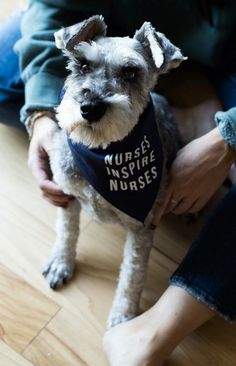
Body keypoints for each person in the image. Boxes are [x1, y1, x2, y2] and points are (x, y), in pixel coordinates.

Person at [1, 1, 236, 365]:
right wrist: (41, 116)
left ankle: (151, 324)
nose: (92, 100)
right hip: (120, 16)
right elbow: (51, 8)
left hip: (229, 54)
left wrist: (229, 138)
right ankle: (190, 115)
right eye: (83, 65)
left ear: (156, 70)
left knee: (142, 226)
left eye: (128, 75)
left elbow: (142, 236)